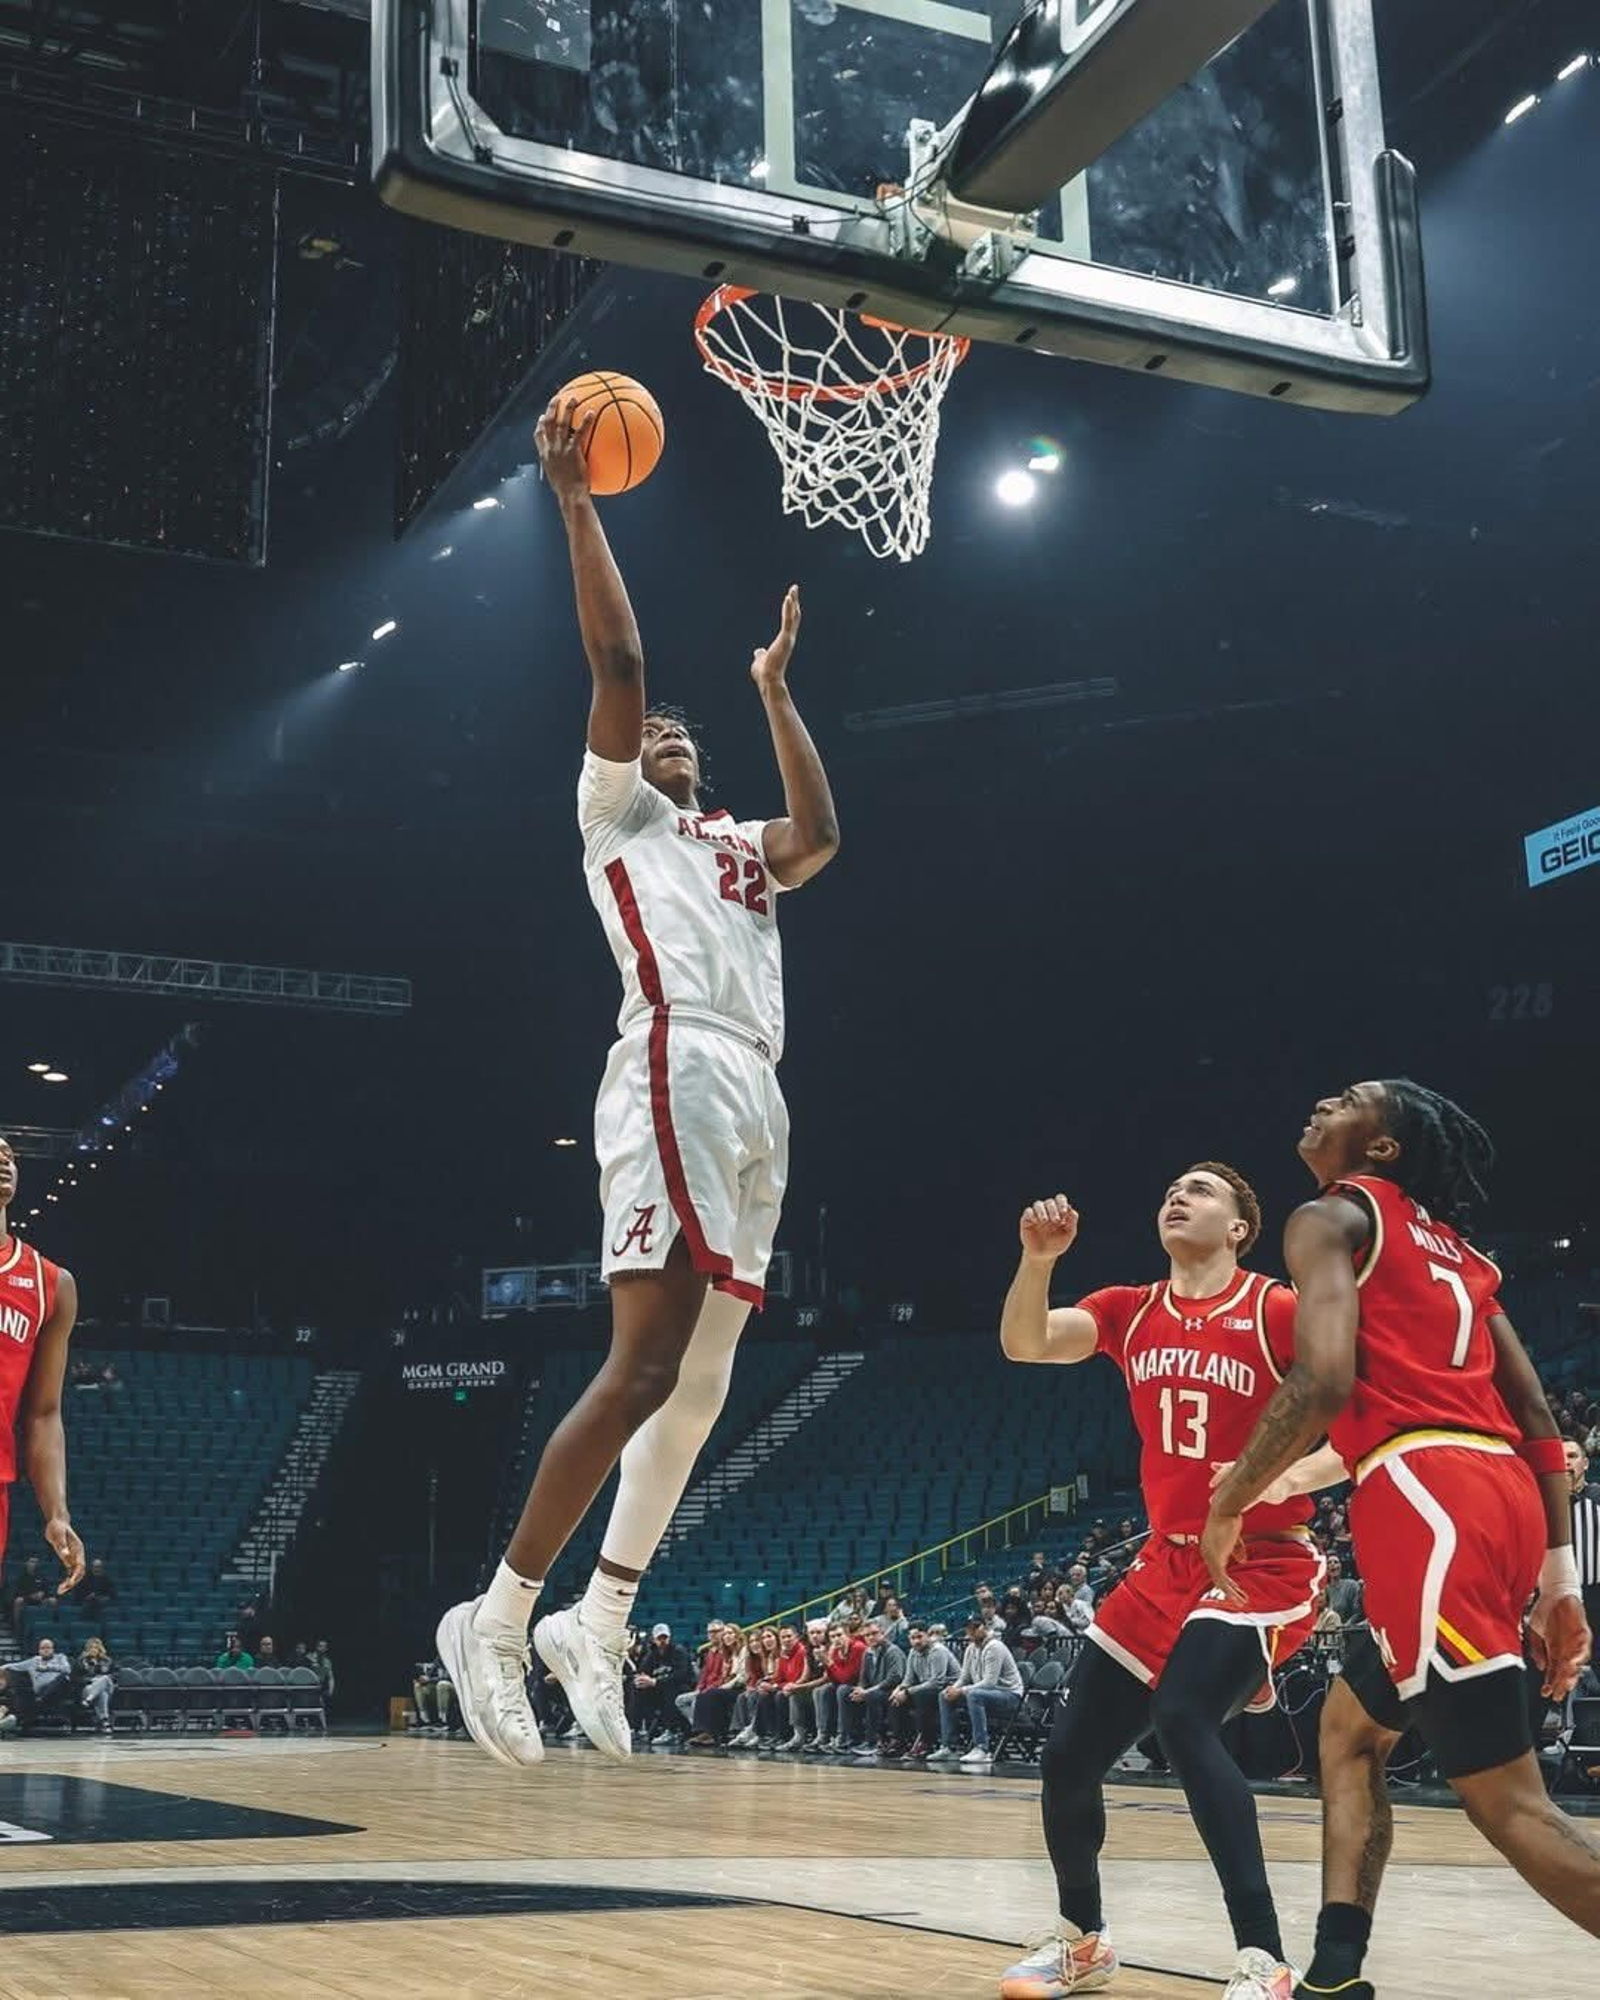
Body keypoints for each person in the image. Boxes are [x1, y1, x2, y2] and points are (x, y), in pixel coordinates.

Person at [437, 395, 839, 1773]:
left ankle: (597, 1620)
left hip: (758, 1091)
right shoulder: (620, 817)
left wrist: (776, 695)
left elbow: (825, 835)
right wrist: (575, 501)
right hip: (671, 1058)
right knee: (647, 1360)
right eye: (647, 729)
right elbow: (617, 650)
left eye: (681, 733)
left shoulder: (735, 846)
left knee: (709, 1376)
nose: (664, 731)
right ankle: (495, 1617)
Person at [1203, 1077, 1599, 1999]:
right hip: (1498, 1495)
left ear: (1380, 1147)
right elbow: (1536, 1412)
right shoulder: (1461, 1254)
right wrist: (1558, 1577)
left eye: (1345, 1099)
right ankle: (1335, 1975)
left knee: (1506, 1802)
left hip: (1425, 1496)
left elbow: (1324, 1377)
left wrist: (1234, 1495)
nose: (1319, 1105)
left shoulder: (1330, 1216)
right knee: (1348, 1733)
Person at [996, 1165, 1321, 2000]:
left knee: (1180, 1715)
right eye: (1172, 1188)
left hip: (1262, 1557)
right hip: (1162, 1565)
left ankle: (1265, 1958)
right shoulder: (1127, 1309)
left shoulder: (1274, 1308)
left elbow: (1368, 1412)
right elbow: (1023, 1345)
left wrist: (1282, 1480)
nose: (1179, 1196)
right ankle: (1083, 1939)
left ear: (1242, 1225)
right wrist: (1038, 1261)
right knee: (1068, 1759)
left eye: (1204, 1189)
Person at [0, 1143, 85, 1630]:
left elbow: (43, 1412)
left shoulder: (51, 1283)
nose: (3, 1159)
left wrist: (56, 1511)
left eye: (9, 1153)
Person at [931, 1611, 1022, 1770]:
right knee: (944, 1695)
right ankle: (948, 1747)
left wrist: (961, 1691)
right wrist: (954, 1688)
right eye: (969, 1629)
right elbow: (964, 1677)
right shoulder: (971, 1648)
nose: (972, 1632)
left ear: (985, 1627)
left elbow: (989, 1682)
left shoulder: (995, 1646)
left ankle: (982, 1748)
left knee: (973, 1695)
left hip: (1010, 1696)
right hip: (988, 1694)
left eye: (975, 1627)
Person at [887, 1622, 960, 1757]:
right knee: (895, 1698)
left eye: (919, 1637)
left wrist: (908, 1692)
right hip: (926, 1688)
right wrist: (899, 1689)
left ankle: (926, 1742)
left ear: (928, 1635)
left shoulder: (938, 1651)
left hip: (948, 1689)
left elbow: (936, 1682)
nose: (916, 1641)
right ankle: (899, 1740)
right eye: (912, 1638)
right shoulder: (913, 1652)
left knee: (921, 1696)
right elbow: (908, 1679)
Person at [629, 1623, 691, 1742]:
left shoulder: (679, 1651)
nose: (662, 1641)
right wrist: (641, 1679)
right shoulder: (652, 1654)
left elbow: (681, 1675)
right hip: (659, 1687)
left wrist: (655, 1681)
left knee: (671, 1689)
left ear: (669, 1637)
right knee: (637, 1687)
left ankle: (671, 1730)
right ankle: (635, 1728)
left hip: (682, 1686)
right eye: (659, 1638)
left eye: (665, 1638)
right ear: (654, 1639)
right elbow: (642, 1671)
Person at [2, 1636, 73, 1731]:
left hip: (59, 1691)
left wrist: (48, 1667)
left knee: (62, 1678)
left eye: (48, 1647)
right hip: (41, 1690)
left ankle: (40, 1699)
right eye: (43, 1648)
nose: (46, 1650)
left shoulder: (60, 1657)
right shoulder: (34, 1661)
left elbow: (67, 1669)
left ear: (53, 1649)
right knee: (22, 1693)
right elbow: (16, 1666)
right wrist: (2, 1667)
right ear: (39, 1650)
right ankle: (38, 1701)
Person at [76, 1636, 115, 1732]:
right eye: (91, 1647)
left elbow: (115, 1675)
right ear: (87, 1649)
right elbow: (75, 1678)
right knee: (102, 1694)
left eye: (96, 1647)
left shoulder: (108, 1661)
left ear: (100, 1649)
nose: (94, 1649)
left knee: (104, 1678)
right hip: (88, 1688)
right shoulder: (81, 1661)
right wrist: (91, 1681)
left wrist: (100, 1679)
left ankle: (89, 1699)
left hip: (107, 1686)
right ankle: (105, 1721)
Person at [413, 1659, 454, 1733]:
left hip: (455, 1688)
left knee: (442, 1684)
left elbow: (450, 1677)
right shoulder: (439, 1658)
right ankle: (424, 1719)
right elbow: (430, 1673)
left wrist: (430, 1679)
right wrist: (424, 1678)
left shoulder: (454, 1657)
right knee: (418, 1685)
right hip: (438, 1688)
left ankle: (443, 1720)